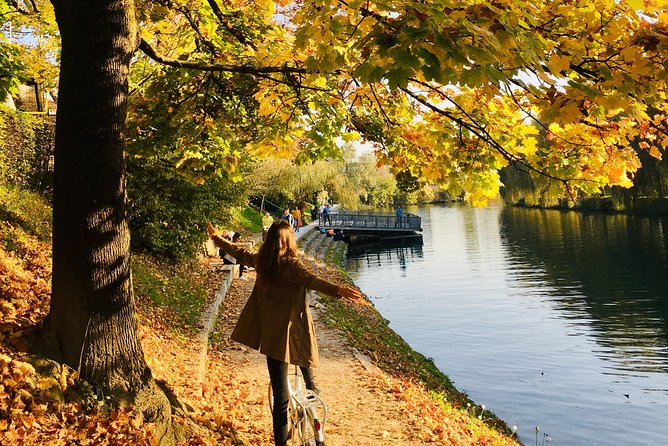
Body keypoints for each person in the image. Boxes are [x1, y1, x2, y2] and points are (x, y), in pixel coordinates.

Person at [207, 220, 362, 446]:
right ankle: (314, 405)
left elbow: (239, 252)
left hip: (273, 338)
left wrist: (216, 238)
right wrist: (339, 290)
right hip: (295, 331)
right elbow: (313, 280)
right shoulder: (292, 265)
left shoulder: (263, 262)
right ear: (289, 241)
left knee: (281, 400)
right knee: (306, 365)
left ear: (269, 241)